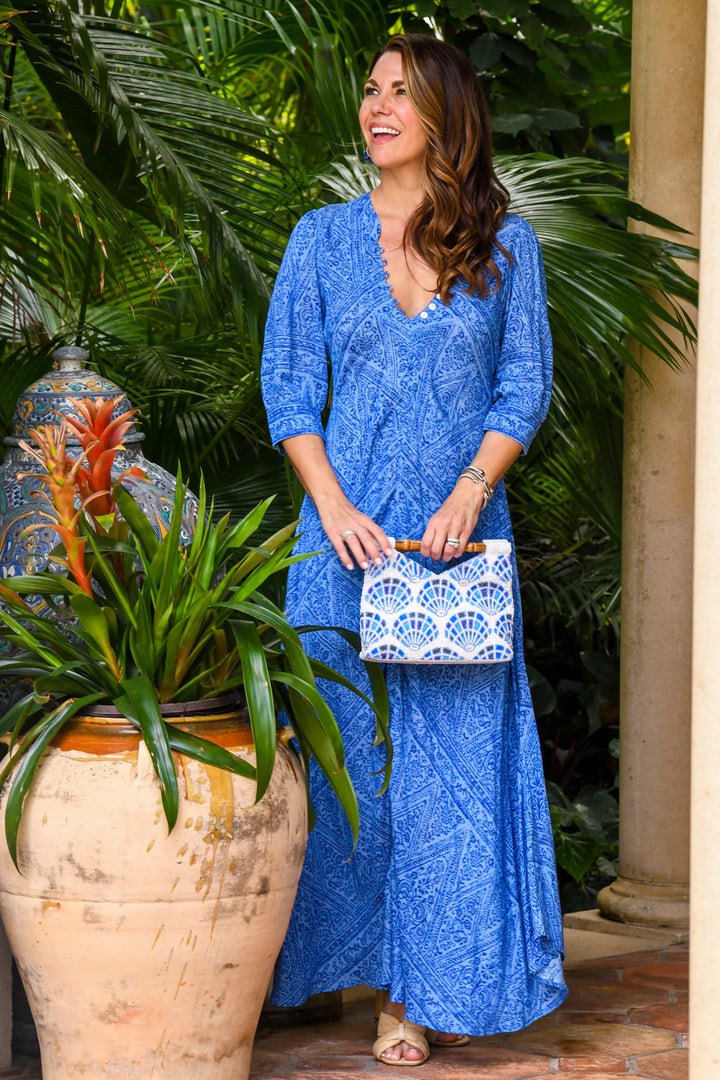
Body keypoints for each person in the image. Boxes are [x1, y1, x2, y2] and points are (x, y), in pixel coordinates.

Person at [260, 32, 567, 1066]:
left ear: (447, 115)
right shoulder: (318, 239)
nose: (377, 106)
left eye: (401, 91)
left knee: (451, 772)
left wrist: (471, 491)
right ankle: (316, 970)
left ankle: (416, 996)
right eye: (371, 90)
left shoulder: (504, 245)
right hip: (340, 545)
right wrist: (334, 508)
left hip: (454, 550)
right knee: (340, 760)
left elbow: (522, 384)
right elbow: (288, 387)